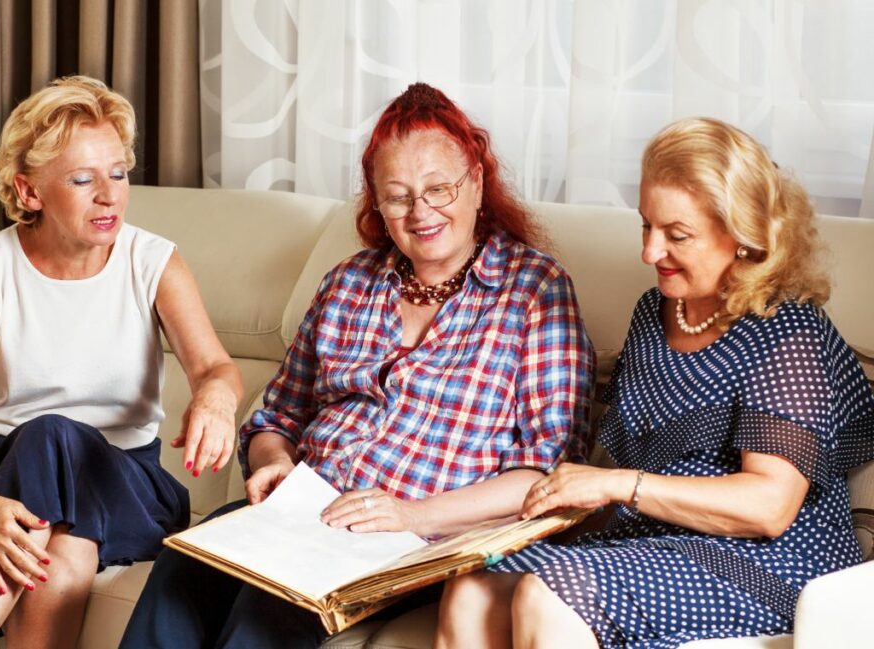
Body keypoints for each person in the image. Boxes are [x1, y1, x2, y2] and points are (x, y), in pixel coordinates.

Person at [119, 82, 596, 649]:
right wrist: (273, 466)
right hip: (303, 514)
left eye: (439, 188)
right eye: (398, 196)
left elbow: (548, 475)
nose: (421, 212)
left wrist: (411, 515)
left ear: (477, 181)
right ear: (376, 202)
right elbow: (275, 417)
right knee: (180, 571)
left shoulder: (534, 290)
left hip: (420, 538)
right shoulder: (349, 282)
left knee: (261, 615)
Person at [434, 117, 874, 649]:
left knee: (549, 594)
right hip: (657, 538)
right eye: (646, 226)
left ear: (742, 234)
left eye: (677, 234)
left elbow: (769, 508)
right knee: (471, 588)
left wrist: (617, 486)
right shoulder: (653, 311)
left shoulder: (787, 327)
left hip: (766, 563)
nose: (650, 252)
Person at [0, 76, 242, 649]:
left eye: (118, 173)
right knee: (66, 551)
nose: (109, 195)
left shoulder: (152, 262)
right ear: (29, 192)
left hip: (122, 481)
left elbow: (215, 367)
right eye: (83, 180)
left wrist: (215, 397)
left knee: (52, 436)